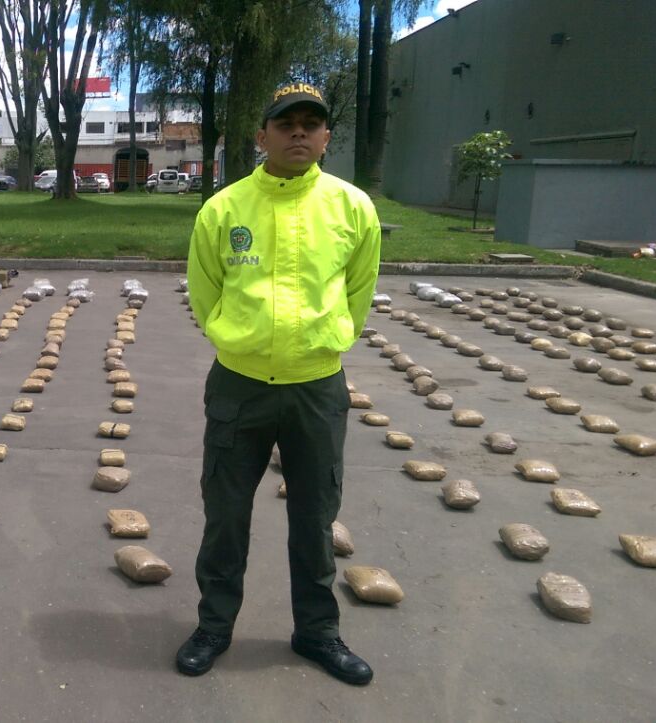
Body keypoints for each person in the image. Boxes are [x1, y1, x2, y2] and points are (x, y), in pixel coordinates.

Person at [177, 83, 381, 684]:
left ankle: (317, 633)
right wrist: (232, 336)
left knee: (315, 517)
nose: (298, 133)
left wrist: (332, 339)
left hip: (317, 387)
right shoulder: (224, 209)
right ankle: (214, 626)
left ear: (324, 138)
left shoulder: (352, 208)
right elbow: (204, 290)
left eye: (310, 125)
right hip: (240, 386)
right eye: (285, 124)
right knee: (226, 513)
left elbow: (359, 291)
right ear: (261, 136)